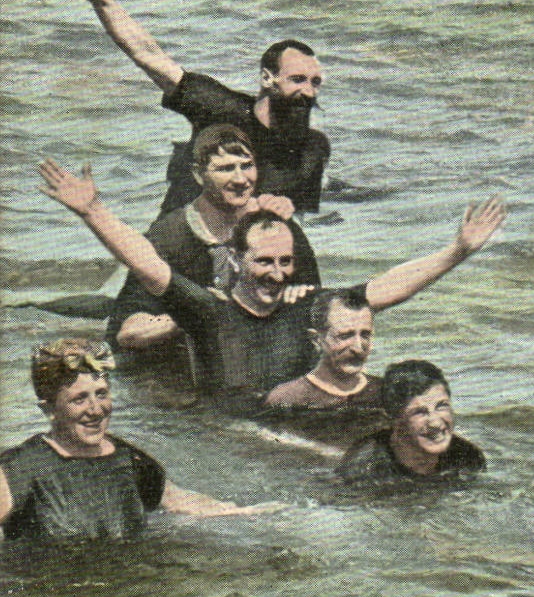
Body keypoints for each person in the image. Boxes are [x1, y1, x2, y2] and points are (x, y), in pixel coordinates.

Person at [38, 159, 505, 407]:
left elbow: (382, 290)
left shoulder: (306, 307)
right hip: (229, 434)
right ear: (236, 259)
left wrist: (456, 252)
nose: (277, 273)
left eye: (285, 262)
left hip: (293, 420)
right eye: (264, 261)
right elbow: (147, 264)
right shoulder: (209, 311)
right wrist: (92, 211)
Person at [66, 0, 330, 214]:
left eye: (315, 83)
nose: (308, 92)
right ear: (267, 79)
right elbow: (149, 55)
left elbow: (301, 216)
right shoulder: (221, 108)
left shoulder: (314, 149)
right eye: (297, 80)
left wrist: (288, 207)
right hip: (183, 230)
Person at [0, 339, 271, 540]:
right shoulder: (19, 468)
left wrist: (259, 514)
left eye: (101, 394)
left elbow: (180, 501)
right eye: (79, 399)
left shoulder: (127, 458)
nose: (96, 410)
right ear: (49, 409)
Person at [107, 124, 320, 356]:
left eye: (247, 166)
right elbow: (126, 329)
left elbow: (315, 300)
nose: (241, 179)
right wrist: (190, 318)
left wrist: (297, 297)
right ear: (199, 174)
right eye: (226, 168)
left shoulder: (278, 225)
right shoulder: (169, 235)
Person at [336, 361, 484, 481]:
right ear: (395, 420)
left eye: (441, 406)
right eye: (419, 412)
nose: (435, 423)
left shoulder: (467, 457)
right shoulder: (363, 468)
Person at [263, 288, 383, 410]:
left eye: (365, 335)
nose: (358, 348)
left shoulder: (385, 392)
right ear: (316, 339)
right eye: (345, 336)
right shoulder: (287, 399)